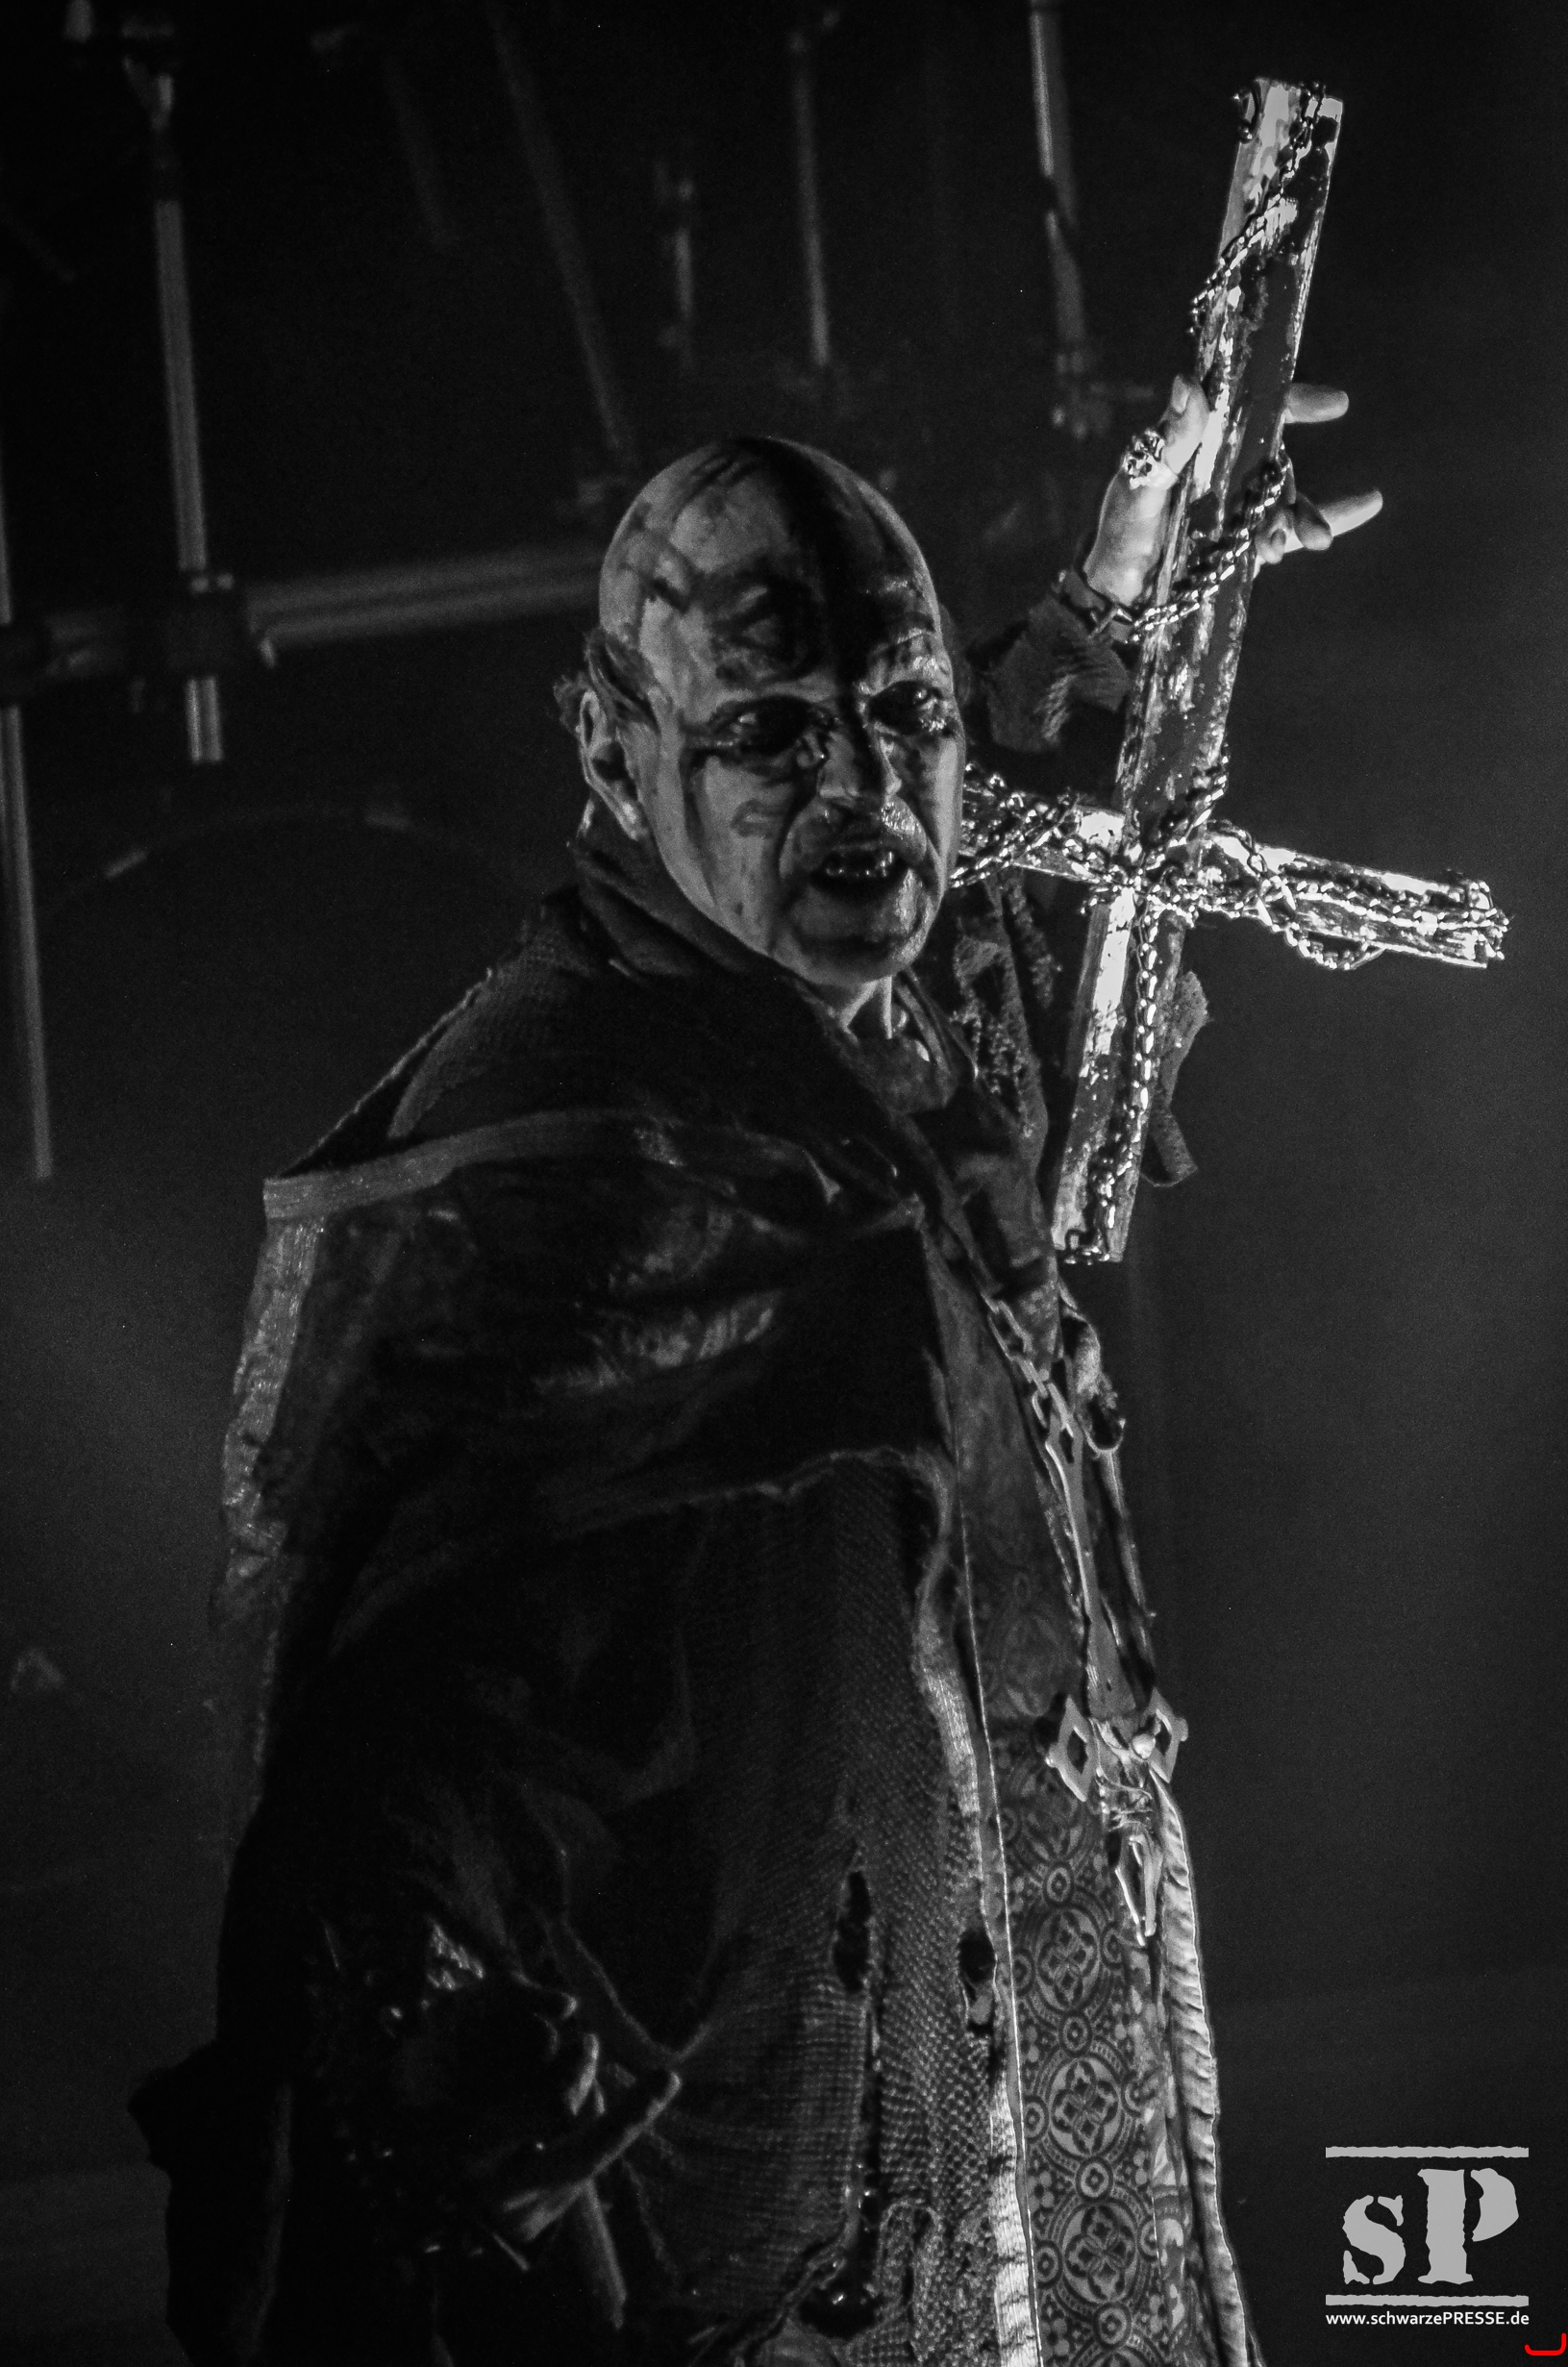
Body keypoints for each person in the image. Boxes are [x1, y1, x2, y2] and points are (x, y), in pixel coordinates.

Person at [135, 379, 1377, 2367]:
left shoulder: (846, 1008)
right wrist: (441, 2045)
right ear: (612, 749)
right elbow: (402, 1725)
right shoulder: (580, 1135)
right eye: (773, 734)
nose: (868, 790)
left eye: (906, 716)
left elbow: (975, 856)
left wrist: (1117, 612)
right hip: (792, 2198)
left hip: (1030, 2098)